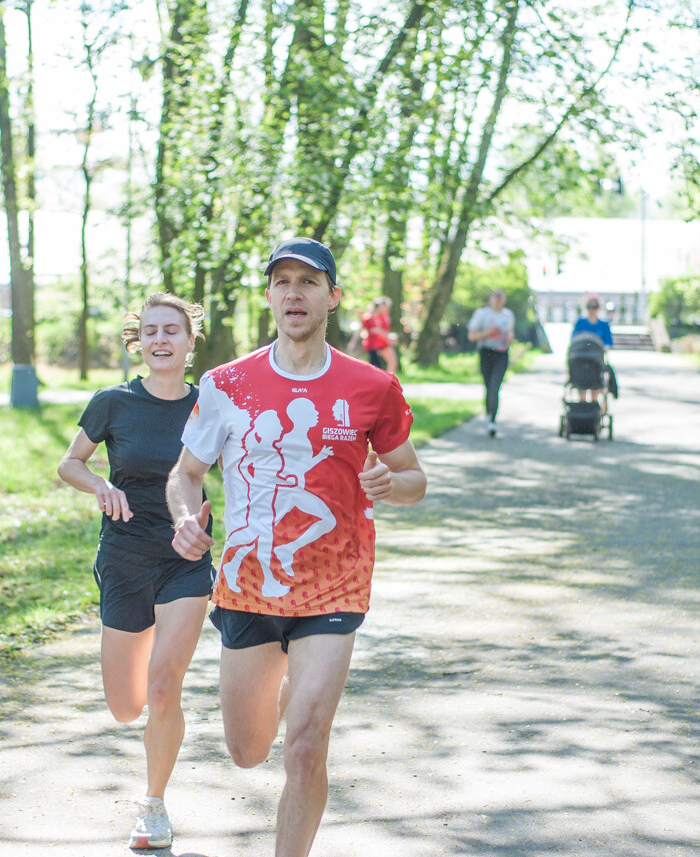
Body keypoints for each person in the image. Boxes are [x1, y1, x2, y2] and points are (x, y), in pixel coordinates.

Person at [166, 236, 427, 857]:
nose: (294, 294)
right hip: (248, 586)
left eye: (308, 282)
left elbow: (414, 479)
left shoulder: (371, 385)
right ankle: (285, 683)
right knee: (248, 750)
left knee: (306, 745)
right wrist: (183, 518)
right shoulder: (227, 383)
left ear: (332, 298)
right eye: (282, 282)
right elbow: (186, 473)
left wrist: (394, 484)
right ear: (268, 298)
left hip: (335, 585)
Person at [56, 293, 214, 851]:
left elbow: (243, 470)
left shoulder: (209, 404)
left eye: (173, 330)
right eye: (150, 331)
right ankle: (152, 713)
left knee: (164, 686)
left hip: (185, 558)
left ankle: (154, 804)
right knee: (127, 706)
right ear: (138, 341)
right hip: (123, 557)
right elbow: (69, 462)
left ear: (191, 342)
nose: (161, 340)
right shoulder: (113, 402)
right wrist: (100, 485)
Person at [466, 289, 514, 437]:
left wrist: (509, 337)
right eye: (496, 297)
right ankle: (489, 413)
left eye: (501, 298)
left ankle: (492, 420)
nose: (499, 301)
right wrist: (488, 332)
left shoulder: (508, 315)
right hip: (486, 352)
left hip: (501, 354)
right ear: (491, 299)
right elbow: (472, 336)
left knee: (495, 386)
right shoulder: (482, 314)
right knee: (488, 386)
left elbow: (511, 332)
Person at [571, 297, 613, 403]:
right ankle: (582, 408)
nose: (592, 310)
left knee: (596, 385)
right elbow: (574, 339)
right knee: (581, 386)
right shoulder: (580, 322)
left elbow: (608, 342)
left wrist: (604, 348)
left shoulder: (603, 325)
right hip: (581, 357)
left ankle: (593, 408)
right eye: (589, 307)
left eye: (594, 307)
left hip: (596, 358)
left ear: (598, 309)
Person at [357, 296, 398, 374]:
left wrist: (389, 337)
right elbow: (373, 330)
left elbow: (382, 330)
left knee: (392, 361)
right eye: (384, 307)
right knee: (375, 367)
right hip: (373, 345)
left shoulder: (384, 316)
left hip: (383, 343)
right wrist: (388, 337)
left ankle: (390, 381)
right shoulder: (370, 317)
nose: (387, 309)